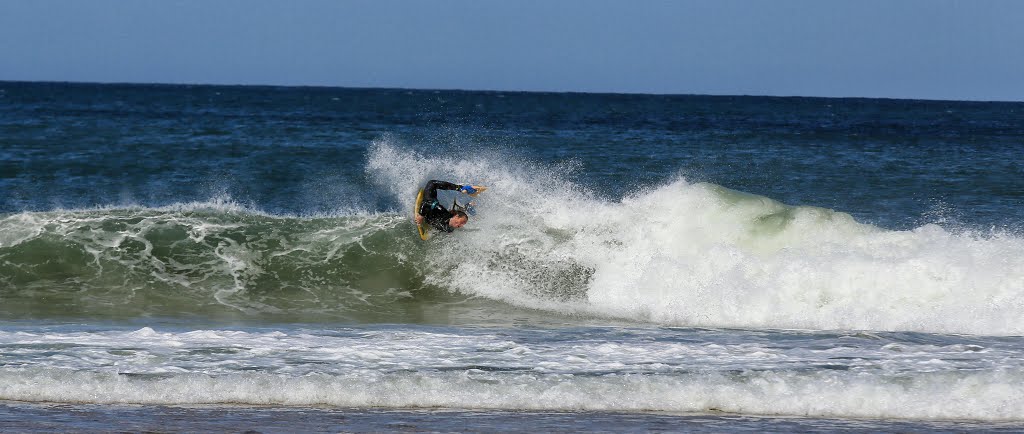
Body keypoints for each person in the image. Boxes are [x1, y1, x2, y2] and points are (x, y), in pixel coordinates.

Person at [415, 180, 485, 233]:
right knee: (432, 183)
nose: (461, 225)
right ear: (456, 216)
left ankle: (467, 205)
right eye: (462, 222)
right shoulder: (441, 210)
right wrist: (421, 215)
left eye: (463, 224)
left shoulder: (450, 229)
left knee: (460, 209)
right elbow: (426, 203)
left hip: (437, 214)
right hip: (430, 202)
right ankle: (460, 188)